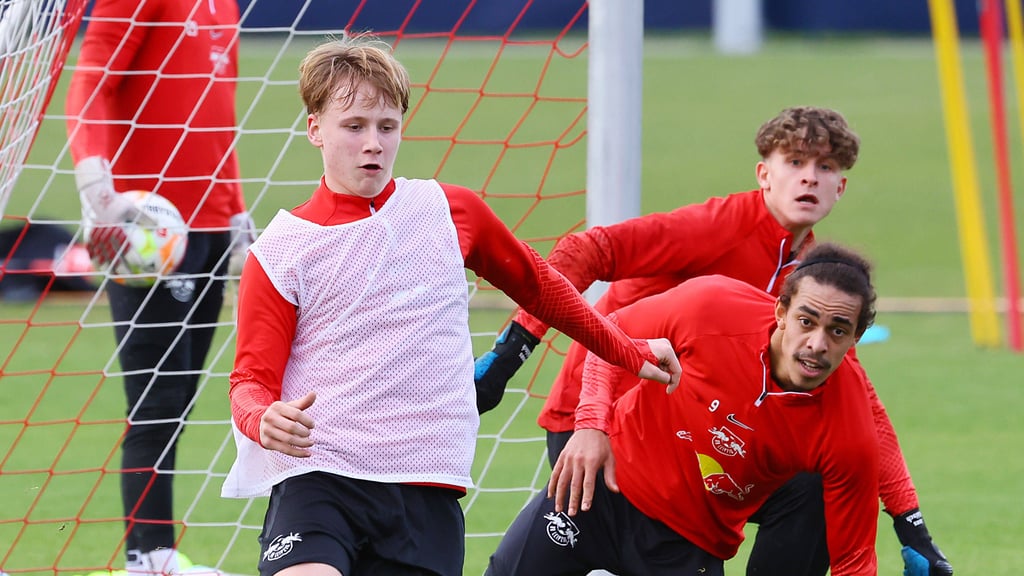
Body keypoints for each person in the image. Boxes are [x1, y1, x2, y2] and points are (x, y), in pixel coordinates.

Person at [219, 35, 681, 576]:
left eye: (386, 127)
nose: (373, 143)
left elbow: (544, 290)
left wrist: (626, 348)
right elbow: (249, 381)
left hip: (424, 484)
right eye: (354, 126)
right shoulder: (280, 252)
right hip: (321, 477)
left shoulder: (449, 210)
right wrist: (260, 419)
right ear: (315, 129)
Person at [475, 106, 952, 575]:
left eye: (825, 167)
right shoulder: (719, 229)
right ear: (764, 174)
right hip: (601, 415)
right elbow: (588, 250)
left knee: (813, 489)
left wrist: (912, 530)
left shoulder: (817, 282)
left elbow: (860, 411)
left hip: (708, 437)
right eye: (795, 162)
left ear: (841, 186)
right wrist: (508, 356)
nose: (809, 178)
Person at [486, 243, 885, 576]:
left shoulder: (849, 431)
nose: (817, 343)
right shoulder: (711, 306)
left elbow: (855, 561)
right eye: (806, 321)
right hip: (597, 496)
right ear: (781, 313)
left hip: (688, 544)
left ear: (856, 337)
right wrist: (591, 426)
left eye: (837, 330)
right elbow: (611, 334)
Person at [64, 0, 254, 573]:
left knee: (181, 401)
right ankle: (146, 556)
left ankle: (158, 551)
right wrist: (93, 176)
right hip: (145, 232)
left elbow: (217, 121)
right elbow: (92, 75)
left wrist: (237, 209)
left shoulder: (225, 7)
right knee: (156, 402)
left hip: (211, 231)